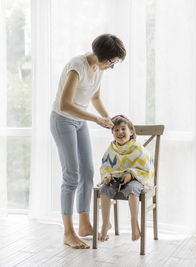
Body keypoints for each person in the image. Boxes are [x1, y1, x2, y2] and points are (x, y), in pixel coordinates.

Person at [50, 34, 126, 249]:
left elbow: (95, 98)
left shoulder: (98, 70)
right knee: (71, 175)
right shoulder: (77, 66)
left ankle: (84, 225)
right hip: (62, 120)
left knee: (87, 173)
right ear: (104, 56)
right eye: (113, 61)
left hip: (80, 121)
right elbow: (65, 105)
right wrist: (96, 119)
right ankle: (68, 232)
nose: (113, 66)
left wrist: (109, 119)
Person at [99, 115, 154, 242]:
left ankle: (134, 224)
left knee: (132, 190)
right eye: (116, 130)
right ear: (112, 133)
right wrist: (107, 176)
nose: (120, 132)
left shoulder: (137, 148)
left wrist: (131, 174)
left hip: (135, 179)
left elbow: (146, 167)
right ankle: (105, 223)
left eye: (123, 129)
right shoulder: (112, 149)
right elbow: (105, 165)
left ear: (131, 131)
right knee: (104, 189)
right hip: (116, 178)